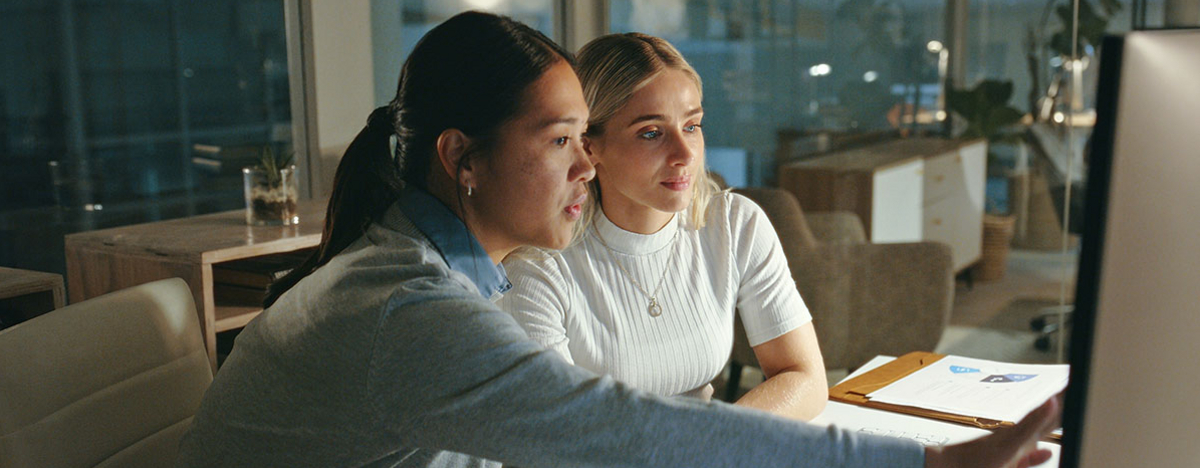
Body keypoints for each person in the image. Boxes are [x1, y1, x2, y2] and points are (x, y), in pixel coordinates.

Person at [175, 11, 1060, 468]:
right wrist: (924, 465)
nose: (585, 167)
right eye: (561, 141)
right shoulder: (410, 306)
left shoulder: (429, 269)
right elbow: (613, 431)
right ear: (462, 159)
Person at [498, 33, 827, 420]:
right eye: (651, 133)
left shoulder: (735, 224)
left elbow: (804, 378)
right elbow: (557, 440)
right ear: (589, 146)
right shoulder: (539, 266)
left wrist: (713, 446)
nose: (685, 153)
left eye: (692, 126)